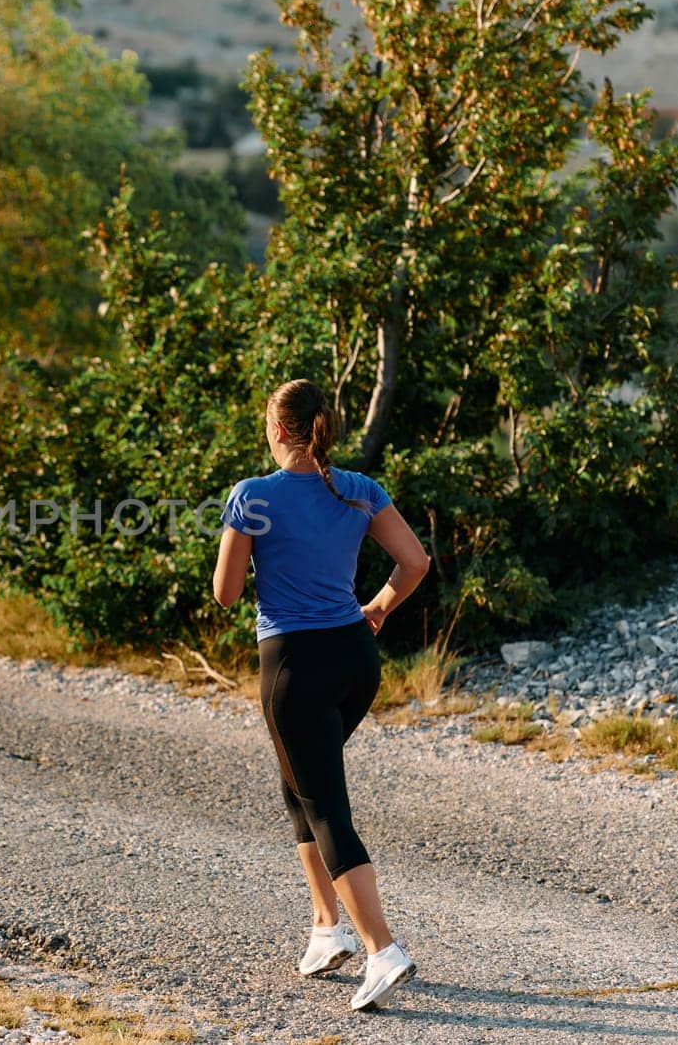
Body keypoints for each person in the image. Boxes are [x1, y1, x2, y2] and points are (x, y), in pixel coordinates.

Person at [211, 378, 431, 1012]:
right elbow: (413, 563)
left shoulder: (251, 496)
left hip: (293, 666)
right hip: (356, 657)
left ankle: (382, 950)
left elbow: (226, 593)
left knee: (325, 804)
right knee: (299, 789)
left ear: (279, 430)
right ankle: (325, 930)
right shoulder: (359, 488)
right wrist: (380, 609)